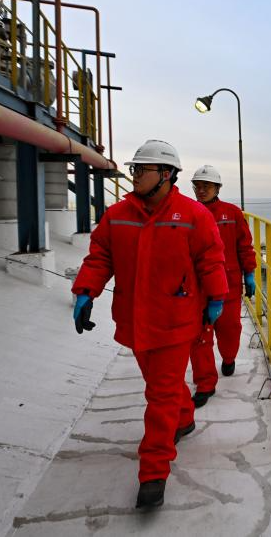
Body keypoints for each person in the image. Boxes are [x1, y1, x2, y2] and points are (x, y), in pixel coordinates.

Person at [70, 140, 228, 510]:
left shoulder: (193, 215)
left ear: (166, 175)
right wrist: (85, 291)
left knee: (160, 395)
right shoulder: (118, 214)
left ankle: (153, 472)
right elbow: (100, 255)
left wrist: (217, 297)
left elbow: (211, 259)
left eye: (142, 169)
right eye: (134, 169)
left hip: (176, 321)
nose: (135, 176)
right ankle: (184, 419)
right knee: (162, 387)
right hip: (136, 322)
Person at [189, 164, 257, 407]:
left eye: (206, 186)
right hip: (197, 287)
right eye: (197, 186)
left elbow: (244, 245)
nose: (201, 190)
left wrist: (250, 273)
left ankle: (229, 358)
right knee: (199, 337)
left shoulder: (232, 213)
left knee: (230, 329)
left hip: (228, 284)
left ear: (217, 188)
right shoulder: (188, 213)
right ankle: (205, 383)